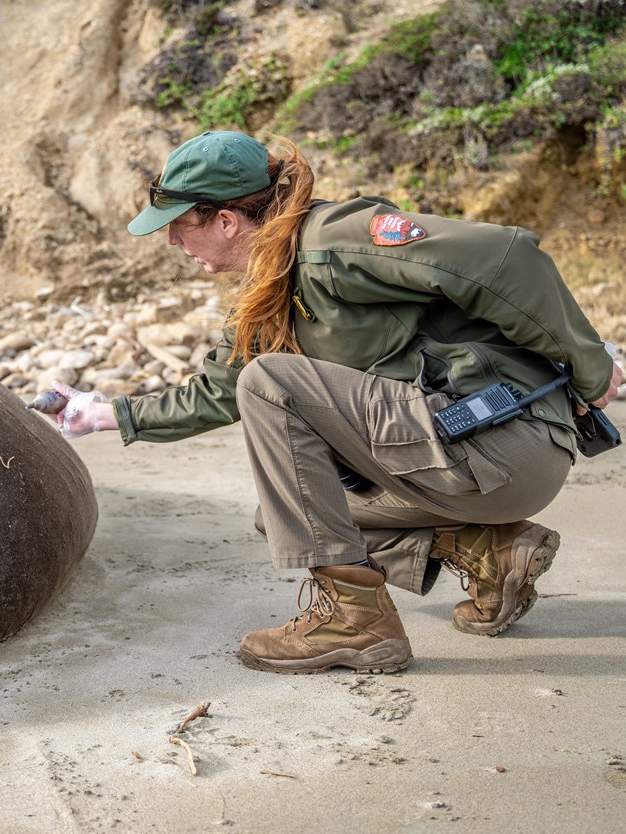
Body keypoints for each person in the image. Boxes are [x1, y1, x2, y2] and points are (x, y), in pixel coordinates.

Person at [52, 130, 623, 675]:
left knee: (270, 383)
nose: (172, 242)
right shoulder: (271, 285)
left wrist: (590, 367)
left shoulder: (334, 240)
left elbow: (507, 257)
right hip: (468, 468)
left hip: (503, 444)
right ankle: (492, 551)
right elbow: (218, 392)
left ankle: (355, 624)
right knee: (293, 514)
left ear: (226, 221)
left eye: (178, 225)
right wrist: (103, 414)